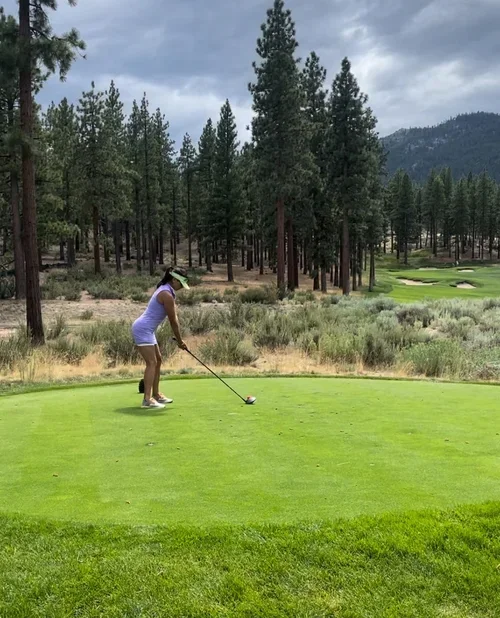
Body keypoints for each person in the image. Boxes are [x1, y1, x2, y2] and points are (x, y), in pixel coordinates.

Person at [132, 266, 189, 409]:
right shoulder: (166, 294)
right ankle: (147, 399)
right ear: (174, 280)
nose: (182, 287)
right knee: (151, 363)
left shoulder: (166, 290)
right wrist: (180, 341)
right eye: (181, 283)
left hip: (147, 330)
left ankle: (156, 395)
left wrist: (180, 341)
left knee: (158, 360)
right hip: (142, 329)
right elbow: (173, 321)